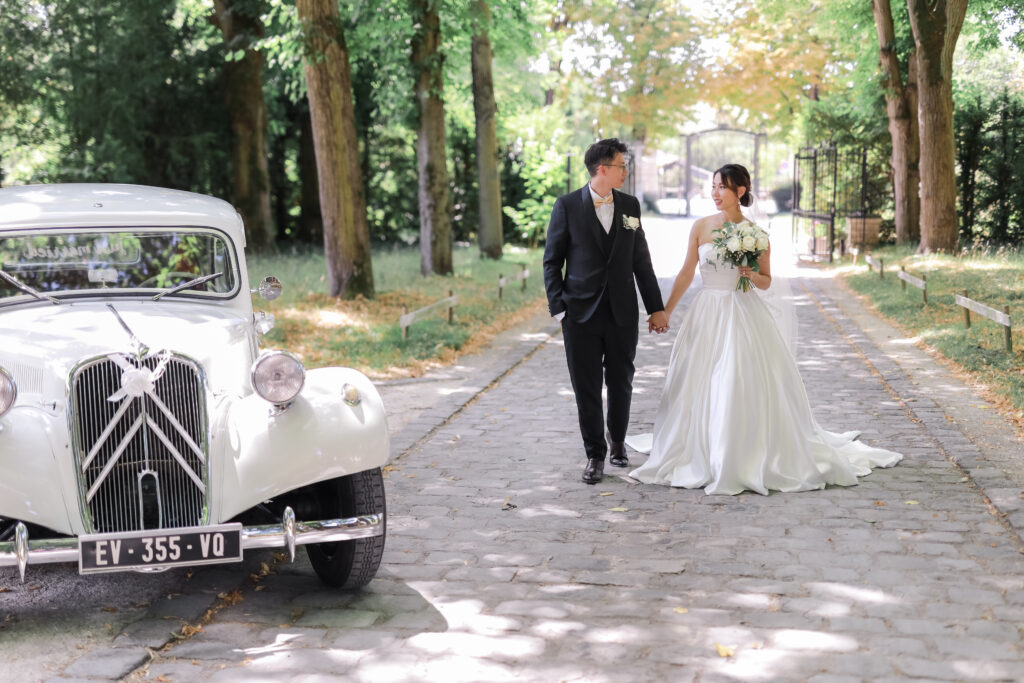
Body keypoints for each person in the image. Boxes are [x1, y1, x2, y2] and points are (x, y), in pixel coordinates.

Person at [627, 164, 901, 495]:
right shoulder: (701, 227)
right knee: (698, 375)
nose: (715, 193)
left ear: (740, 191)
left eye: (722, 187)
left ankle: (737, 452)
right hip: (707, 311)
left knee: (735, 376)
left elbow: (766, 281)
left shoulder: (756, 234)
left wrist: (751, 274)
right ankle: (699, 444)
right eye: (713, 186)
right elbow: (686, 272)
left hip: (742, 312)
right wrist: (665, 311)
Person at [543, 138, 670, 485]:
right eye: (621, 165)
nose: (626, 171)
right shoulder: (567, 206)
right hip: (579, 315)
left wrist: (656, 308)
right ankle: (594, 455)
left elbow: (641, 261)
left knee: (621, 382)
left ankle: (617, 442)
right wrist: (560, 310)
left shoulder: (630, 206)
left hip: (622, 312)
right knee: (585, 387)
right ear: (603, 169)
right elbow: (552, 261)